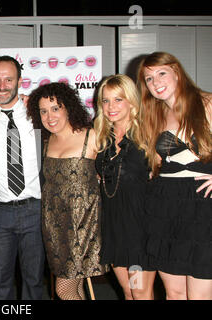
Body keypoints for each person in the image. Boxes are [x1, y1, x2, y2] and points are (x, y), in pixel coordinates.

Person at [137, 51, 212, 300]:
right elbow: (156, 167)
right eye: (149, 79)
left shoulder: (207, 103)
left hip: (203, 205)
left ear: (176, 72)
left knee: (200, 295)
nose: (156, 82)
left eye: (161, 73)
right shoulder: (154, 115)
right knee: (175, 293)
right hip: (165, 206)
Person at [27, 82, 108, 300]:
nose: (49, 116)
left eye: (55, 108)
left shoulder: (92, 136)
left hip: (84, 225)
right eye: (43, 111)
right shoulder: (45, 141)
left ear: (68, 108)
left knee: (64, 290)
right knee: (76, 287)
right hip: (55, 226)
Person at [0, 56, 45, 300]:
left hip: (35, 210)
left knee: (34, 282)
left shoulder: (38, 111)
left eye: (8, 79)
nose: (2, 85)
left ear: (20, 81)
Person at [94, 74, 156, 300]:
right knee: (128, 292)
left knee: (139, 291)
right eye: (106, 100)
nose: (111, 106)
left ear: (131, 101)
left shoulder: (149, 135)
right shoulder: (103, 137)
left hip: (140, 231)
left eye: (118, 100)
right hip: (114, 227)